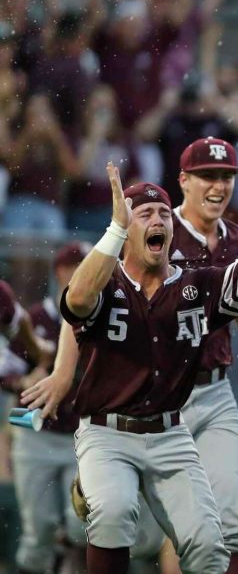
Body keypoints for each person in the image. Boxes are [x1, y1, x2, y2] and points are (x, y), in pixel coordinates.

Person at [20, 164, 238, 574]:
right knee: (114, 515)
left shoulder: (198, 284)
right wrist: (115, 229)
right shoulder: (107, 281)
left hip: (170, 432)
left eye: (163, 214)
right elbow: (77, 302)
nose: (157, 220)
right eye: (145, 214)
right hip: (108, 430)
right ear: (125, 229)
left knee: (212, 545)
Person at [2, 242, 88, 574]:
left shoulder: (108, 318)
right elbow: (5, 367)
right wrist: (22, 382)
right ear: (61, 272)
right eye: (80, 265)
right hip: (35, 430)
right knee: (38, 528)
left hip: (84, 436)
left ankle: (66, 554)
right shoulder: (36, 317)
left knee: (81, 524)